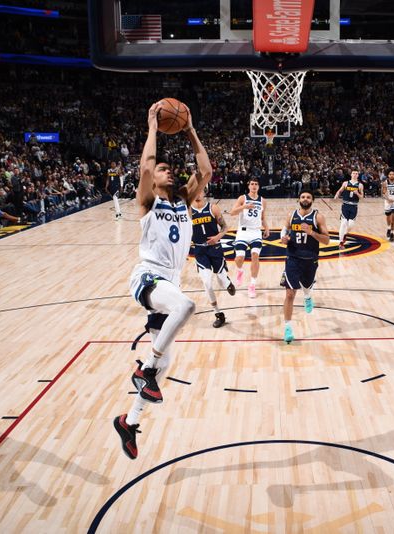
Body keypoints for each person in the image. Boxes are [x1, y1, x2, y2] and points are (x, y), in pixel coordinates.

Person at [114, 101, 212, 460]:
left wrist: (189, 129)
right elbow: (144, 166)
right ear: (153, 178)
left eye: (171, 169)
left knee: (167, 364)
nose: (168, 173)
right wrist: (153, 127)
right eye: (163, 169)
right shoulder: (146, 201)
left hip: (168, 284)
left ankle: (129, 420)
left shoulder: (184, 200)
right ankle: (145, 369)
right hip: (147, 277)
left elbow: (206, 169)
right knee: (186, 306)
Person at [279, 190, 330, 343]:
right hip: (292, 258)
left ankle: (307, 296)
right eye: (302, 197)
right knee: (290, 294)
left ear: (312, 200)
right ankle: (288, 327)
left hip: (310, 259)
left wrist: (312, 232)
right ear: (299, 199)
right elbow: (285, 230)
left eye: (308, 197)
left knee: (306, 286)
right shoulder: (292, 215)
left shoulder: (318, 217)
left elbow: (326, 240)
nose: (305, 199)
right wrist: (284, 238)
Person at [191, 187, 236, 328]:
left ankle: (227, 282)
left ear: (204, 192)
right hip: (199, 250)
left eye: (200, 191)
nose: (198, 194)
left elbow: (225, 228)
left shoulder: (213, 208)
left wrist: (217, 237)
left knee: (222, 280)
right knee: (207, 283)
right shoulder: (187, 211)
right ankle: (218, 314)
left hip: (215, 248)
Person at [229, 178, 269, 298]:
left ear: (259, 186)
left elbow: (262, 217)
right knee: (239, 258)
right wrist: (244, 207)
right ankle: (240, 270)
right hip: (243, 232)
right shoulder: (243, 198)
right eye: (252, 184)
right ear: (248, 186)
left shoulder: (263, 200)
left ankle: (252, 285)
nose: (254, 186)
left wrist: (266, 228)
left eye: (256, 184)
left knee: (255, 256)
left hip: (256, 232)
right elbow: (232, 212)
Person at [333, 169, 363, 250]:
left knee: (350, 224)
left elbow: (362, 197)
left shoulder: (360, 185)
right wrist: (336, 195)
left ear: (358, 175)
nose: (355, 174)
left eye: (356, 173)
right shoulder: (346, 183)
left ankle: (345, 234)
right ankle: (341, 242)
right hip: (345, 205)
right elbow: (340, 190)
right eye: (353, 173)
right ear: (351, 174)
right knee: (343, 223)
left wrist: (357, 193)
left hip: (354, 206)